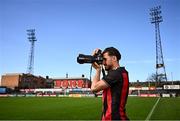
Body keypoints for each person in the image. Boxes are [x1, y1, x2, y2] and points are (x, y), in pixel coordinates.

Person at [91, 47, 129, 120]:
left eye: (105, 59)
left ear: (114, 58)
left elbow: (94, 88)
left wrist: (98, 70)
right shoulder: (121, 72)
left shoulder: (116, 74)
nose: (103, 62)